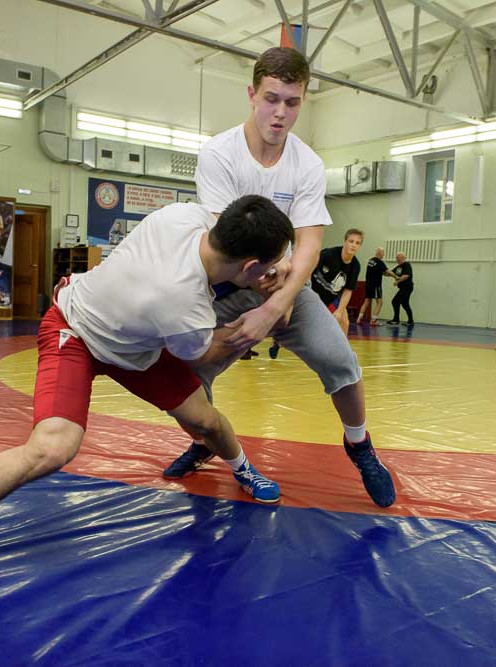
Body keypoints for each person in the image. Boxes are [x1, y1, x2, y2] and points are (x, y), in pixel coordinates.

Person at [0, 195, 294, 588]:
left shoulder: (185, 215)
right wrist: (260, 320)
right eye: (269, 266)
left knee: (204, 418)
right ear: (250, 266)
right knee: (52, 448)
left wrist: (279, 262)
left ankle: (243, 468)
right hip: (76, 332)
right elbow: (207, 351)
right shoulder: (182, 302)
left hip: (133, 345)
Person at [160, 47, 394, 508]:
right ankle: (207, 438)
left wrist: (278, 302)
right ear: (252, 94)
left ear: (302, 100)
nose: (280, 112)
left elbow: (309, 241)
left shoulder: (306, 163)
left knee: (340, 360)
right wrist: (272, 274)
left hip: (284, 286)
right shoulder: (219, 154)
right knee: (185, 371)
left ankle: (359, 444)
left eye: (292, 102)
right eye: (271, 99)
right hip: (227, 283)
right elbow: (226, 239)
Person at [309, 228, 363, 336]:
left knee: (344, 321)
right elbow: (309, 269)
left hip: (331, 298)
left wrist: (339, 311)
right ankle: (278, 341)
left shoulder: (355, 266)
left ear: (360, 246)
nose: (353, 245)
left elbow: (348, 291)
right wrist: (307, 292)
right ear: (345, 242)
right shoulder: (328, 254)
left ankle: (343, 352)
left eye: (357, 243)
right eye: (351, 241)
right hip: (312, 292)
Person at [357, 246, 394, 326]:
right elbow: (388, 272)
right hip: (376, 285)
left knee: (367, 301)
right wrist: (396, 277)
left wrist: (390, 275)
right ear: (379, 253)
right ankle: (373, 320)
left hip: (368, 284)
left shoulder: (371, 260)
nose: (383, 255)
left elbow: (383, 273)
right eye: (383, 253)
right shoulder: (379, 262)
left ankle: (359, 318)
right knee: (379, 302)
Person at [390, 252, 414, 326]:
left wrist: (397, 281)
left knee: (395, 301)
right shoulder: (398, 267)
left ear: (402, 258)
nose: (396, 259)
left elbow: (406, 275)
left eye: (398, 257)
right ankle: (410, 321)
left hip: (407, 287)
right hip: (403, 288)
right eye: (396, 257)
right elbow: (391, 272)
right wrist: (383, 271)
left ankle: (396, 319)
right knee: (405, 304)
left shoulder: (407, 265)